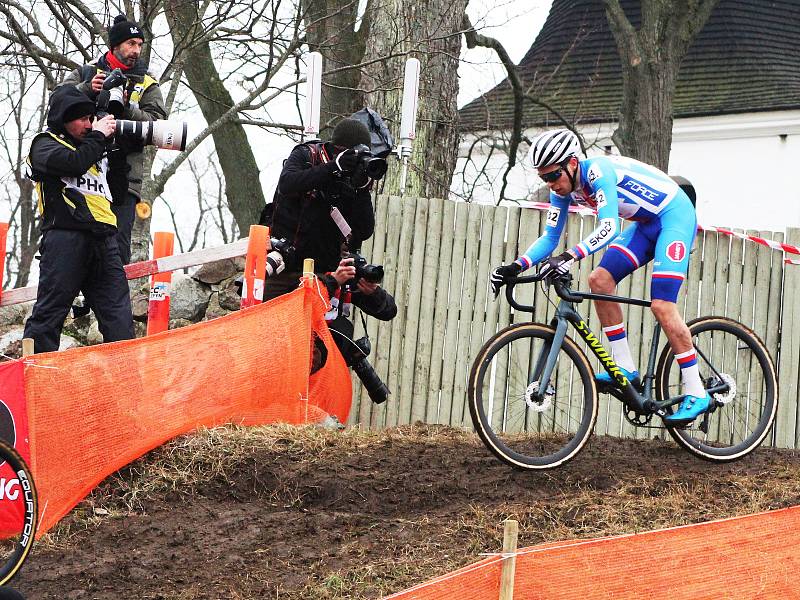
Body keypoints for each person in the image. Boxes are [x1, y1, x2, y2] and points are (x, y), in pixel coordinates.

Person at [490, 129, 707, 426]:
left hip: (674, 216)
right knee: (600, 281)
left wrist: (568, 258)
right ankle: (625, 367)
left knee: (661, 305)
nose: (551, 184)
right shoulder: (562, 189)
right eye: (544, 179)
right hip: (646, 223)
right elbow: (550, 237)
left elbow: (609, 228)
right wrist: (516, 266)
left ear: (573, 163)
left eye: (553, 176)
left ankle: (697, 391)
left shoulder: (599, 173)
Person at [23, 86, 135, 353]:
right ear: (63, 118)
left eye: (91, 118)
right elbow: (73, 163)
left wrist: (118, 155)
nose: (88, 124)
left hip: (105, 241)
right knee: (49, 315)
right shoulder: (45, 143)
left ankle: (125, 384)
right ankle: (37, 383)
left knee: (119, 318)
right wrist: (98, 137)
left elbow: (117, 196)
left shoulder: (95, 150)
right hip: (66, 238)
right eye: (82, 119)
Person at [59, 14, 167, 265]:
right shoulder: (86, 72)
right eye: (130, 43)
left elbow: (160, 126)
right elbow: (57, 104)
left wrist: (128, 107)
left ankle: (114, 302)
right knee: (76, 244)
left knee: (117, 250)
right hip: (82, 171)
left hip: (125, 177)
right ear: (115, 45)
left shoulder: (147, 83)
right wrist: (86, 89)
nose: (136, 50)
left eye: (139, 44)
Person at [262, 118, 376, 301]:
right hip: (284, 266)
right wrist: (333, 167)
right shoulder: (307, 155)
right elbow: (287, 184)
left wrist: (361, 189)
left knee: (318, 328)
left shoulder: (353, 178)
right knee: (270, 323)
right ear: (338, 150)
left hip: (324, 275)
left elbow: (364, 231)